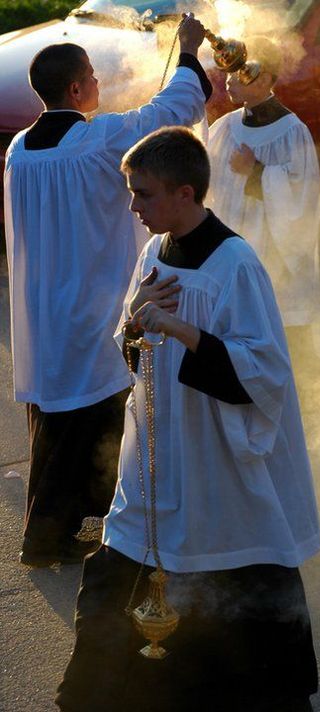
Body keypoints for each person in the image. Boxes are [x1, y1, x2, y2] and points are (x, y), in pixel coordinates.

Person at [55, 126, 320, 712]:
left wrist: (180, 329)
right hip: (154, 443)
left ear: (184, 192)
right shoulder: (154, 250)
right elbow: (132, 334)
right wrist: (133, 327)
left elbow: (266, 370)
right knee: (125, 551)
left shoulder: (236, 264)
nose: (133, 206)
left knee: (223, 558)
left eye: (143, 194)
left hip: (214, 449)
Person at [3, 15, 212, 567]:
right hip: (88, 301)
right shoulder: (93, 141)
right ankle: (45, 538)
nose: (98, 83)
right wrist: (187, 50)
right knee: (81, 423)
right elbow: (168, 116)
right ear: (75, 88)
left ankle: (56, 528)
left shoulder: (21, 150)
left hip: (39, 303)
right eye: (92, 76)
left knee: (53, 418)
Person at [206, 37, 320, 390]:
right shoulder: (225, 127)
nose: (227, 81)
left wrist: (256, 172)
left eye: (237, 73)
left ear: (263, 78)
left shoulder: (292, 131)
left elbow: (301, 194)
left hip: (276, 248)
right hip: (235, 244)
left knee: (284, 327)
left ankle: (307, 388)